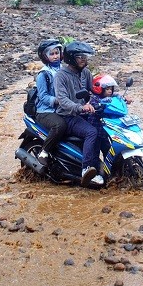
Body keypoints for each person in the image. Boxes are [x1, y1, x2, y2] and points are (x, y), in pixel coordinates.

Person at [54, 40, 104, 187]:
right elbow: (62, 100)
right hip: (68, 115)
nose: (84, 60)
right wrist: (81, 108)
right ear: (71, 58)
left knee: (103, 130)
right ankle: (86, 169)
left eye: (85, 57)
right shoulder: (61, 76)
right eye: (80, 57)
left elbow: (95, 91)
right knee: (91, 132)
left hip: (84, 113)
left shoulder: (86, 73)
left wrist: (116, 97)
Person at [34, 39, 65, 166]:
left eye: (56, 53)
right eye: (51, 54)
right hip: (45, 111)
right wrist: (57, 101)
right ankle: (44, 152)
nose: (55, 56)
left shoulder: (64, 69)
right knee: (60, 125)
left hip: (63, 108)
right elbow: (43, 96)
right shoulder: (44, 74)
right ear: (45, 56)